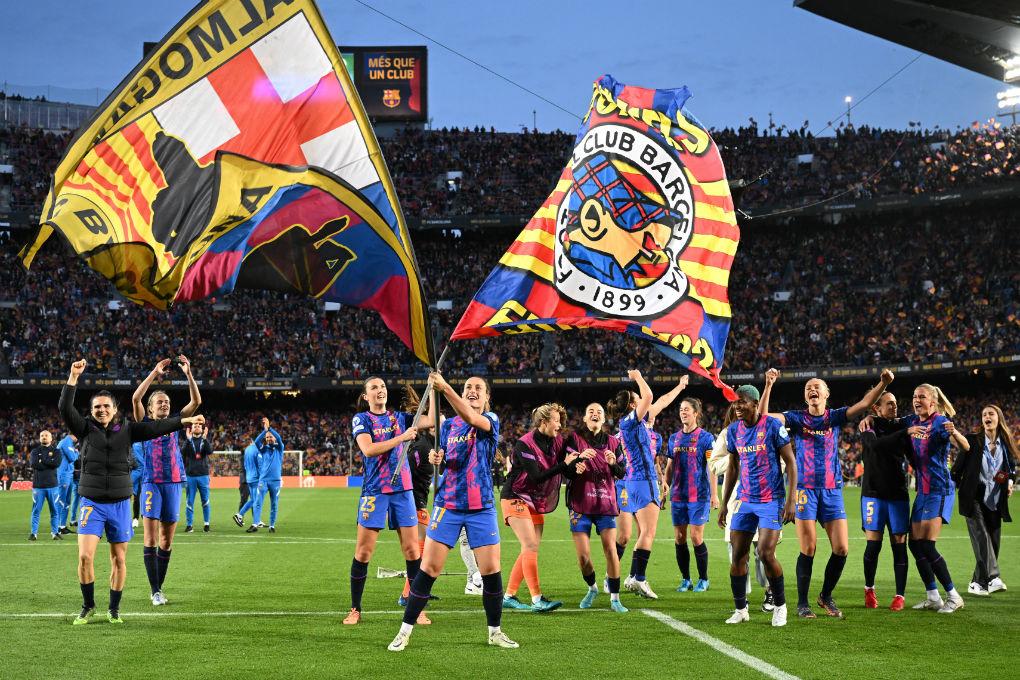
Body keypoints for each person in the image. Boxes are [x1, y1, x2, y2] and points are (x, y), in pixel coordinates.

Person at [60, 359, 204, 625]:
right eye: (97, 407)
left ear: (115, 409)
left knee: (120, 559)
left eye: (106, 406)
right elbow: (65, 408)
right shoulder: (84, 428)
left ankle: (114, 609)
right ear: (91, 411)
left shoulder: (127, 429)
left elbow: (158, 427)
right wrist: (73, 378)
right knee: (85, 556)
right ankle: (88, 605)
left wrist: (185, 421)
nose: (102, 410)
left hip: (121, 503)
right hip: (92, 502)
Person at [388, 372, 517, 652]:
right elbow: (448, 459)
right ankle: (404, 631)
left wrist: (445, 387)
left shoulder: (490, 419)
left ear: (487, 397)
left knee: (491, 570)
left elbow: (471, 417)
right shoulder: (448, 426)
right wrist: (439, 458)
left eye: (478, 388)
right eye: (468, 386)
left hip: (481, 506)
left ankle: (495, 632)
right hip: (448, 505)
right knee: (429, 569)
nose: (472, 390)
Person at [762, 367, 893, 619]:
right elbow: (765, 417)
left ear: (826, 394)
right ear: (805, 396)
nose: (812, 390)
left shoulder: (834, 417)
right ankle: (802, 603)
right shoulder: (796, 418)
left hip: (832, 491)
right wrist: (768, 385)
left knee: (841, 548)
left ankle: (825, 596)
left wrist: (883, 383)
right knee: (808, 548)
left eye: (817, 387)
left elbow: (866, 403)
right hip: (805, 490)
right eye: (808, 388)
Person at [343, 378, 432, 626]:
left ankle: (417, 609)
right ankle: (355, 609)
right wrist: (402, 437)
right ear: (366, 396)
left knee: (412, 550)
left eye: (382, 387)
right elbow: (369, 449)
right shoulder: (362, 419)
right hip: (375, 490)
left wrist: (435, 389)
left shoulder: (400, 417)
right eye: (374, 388)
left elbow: (432, 419)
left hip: (403, 490)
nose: (380, 390)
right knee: (364, 551)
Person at [718, 384, 797, 627]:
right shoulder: (734, 430)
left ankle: (780, 606)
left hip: (771, 500)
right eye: (735, 402)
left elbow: (791, 463)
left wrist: (791, 500)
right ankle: (741, 609)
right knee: (737, 556)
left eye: (742, 401)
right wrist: (724, 504)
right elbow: (733, 467)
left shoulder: (772, 426)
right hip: (745, 500)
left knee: (765, 553)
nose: (737, 406)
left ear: (754, 403)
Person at [131, 356, 202, 607]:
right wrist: (154, 372)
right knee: (150, 539)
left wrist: (189, 374)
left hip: (173, 482)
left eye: (167, 402)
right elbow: (136, 399)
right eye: (160, 401)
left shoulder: (175, 423)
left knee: (166, 541)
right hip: (151, 482)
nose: (164, 404)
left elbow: (196, 402)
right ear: (150, 408)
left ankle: (158, 588)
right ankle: (155, 591)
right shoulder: (144, 424)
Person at [611, 371, 686, 599]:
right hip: (643, 480)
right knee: (648, 532)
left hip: (635, 481)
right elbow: (651, 396)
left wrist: (680, 386)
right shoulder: (631, 422)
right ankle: (639, 578)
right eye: (638, 399)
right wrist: (638, 377)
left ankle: (633, 576)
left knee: (642, 532)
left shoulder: (634, 424)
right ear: (633, 405)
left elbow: (660, 401)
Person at [500, 403, 580, 613]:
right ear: (544, 422)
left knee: (530, 547)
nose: (560, 425)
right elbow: (536, 477)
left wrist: (576, 466)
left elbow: (566, 469)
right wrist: (564, 464)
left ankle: (509, 596)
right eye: (556, 421)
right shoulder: (524, 444)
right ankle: (537, 599)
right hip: (515, 496)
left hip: (533, 500)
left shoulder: (557, 441)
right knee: (529, 545)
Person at [901, 384, 969, 613]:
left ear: (932, 401)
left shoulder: (940, 422)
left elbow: (966, 446)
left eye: (921, 396)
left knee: (927, 546)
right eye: (914, 396)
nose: (916, 400)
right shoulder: (912, 421)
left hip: (939, 489)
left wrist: (954, 432)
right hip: (923, 491)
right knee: (914, 544)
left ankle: (954, 596)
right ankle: (933, 596)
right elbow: (893, 423)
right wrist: (870, 418)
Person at [563, 402, 628, 612]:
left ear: (604, 418)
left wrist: (613, 464)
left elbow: (622, 472)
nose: (595, 414)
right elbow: (566, 470)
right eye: (590, 411)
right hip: (580, 504)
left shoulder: (613, 442)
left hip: (605, 503)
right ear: (584, 418)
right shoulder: (574, 439)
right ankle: (592, 588)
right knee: (583, 557)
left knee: (611, 550)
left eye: (599, 412)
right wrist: (577, 464)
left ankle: (615, 598)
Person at [952, 404, 1016, 597]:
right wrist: (962, 488)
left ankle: (976, 582)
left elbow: (1010, 469)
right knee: (982, 537)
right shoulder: (972, 441)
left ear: (998, 418)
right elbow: (956, 470)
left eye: (991, 414)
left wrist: (1009, 482)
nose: (987, 417)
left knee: (993, 543)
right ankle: (994, 577)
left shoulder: (1005, 444)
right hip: (973, 498)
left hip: (995, 499)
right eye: (984, 414)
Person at [857, 392, 911, 611]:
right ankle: (869, 589)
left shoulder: (903, 425)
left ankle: (900, 595)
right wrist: (905, 433)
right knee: (873, 546)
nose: (894, 406)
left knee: (899, 545)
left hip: (898, 494)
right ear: (876, 408)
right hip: (873, 494)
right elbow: (875, 446)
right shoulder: (868, 427)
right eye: (889, 404)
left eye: (896, 403)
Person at [664, 397, 718, 593]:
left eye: (687, 409)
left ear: (696, 413)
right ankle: (686, 579)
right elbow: (670, 466)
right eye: (681, 409)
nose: (683, 412)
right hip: (678, 495)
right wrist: (665, 487)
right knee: (679, 538)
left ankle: (703, 579)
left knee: (696, 537)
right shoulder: (674, 438)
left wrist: (714, 494)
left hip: (699, 495)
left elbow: (712, 467)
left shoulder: (706, 438)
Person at [29, 431, 62, 541]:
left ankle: (55, 533)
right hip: (38, 486)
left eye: (46, 435)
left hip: (53, 486)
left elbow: (56, 464)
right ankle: (33, 533)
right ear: (39, 438)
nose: (44, 437)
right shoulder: (34, 451)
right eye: (42, 435)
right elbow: (34, 464)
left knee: (54, 511)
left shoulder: (56, 451)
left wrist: (42, 461)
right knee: (36, 511)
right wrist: (49, 462)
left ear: (51, 438)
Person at [254, 417, 284, 532]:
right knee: (258, 502)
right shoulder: (263, 449)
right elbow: (256, 442)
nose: (269, 438)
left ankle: (272, 525)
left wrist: (270, 428)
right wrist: (265, 431)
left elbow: (279, 438)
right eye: (267, 437)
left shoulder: (279, 448)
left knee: (274, 504)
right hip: (263, 480)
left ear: (274, 438)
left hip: (275, 481)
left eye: (270, 437)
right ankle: (256, 524)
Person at [182, 422, 213, 533]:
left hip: (203, 475)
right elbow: (183, 452)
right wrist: (188, 439)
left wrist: (205, 439)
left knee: (205, 500)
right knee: (189, 501)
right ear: (191, 429)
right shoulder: (189, 441)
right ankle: (189, 525)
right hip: (190, 476)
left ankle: (206, 524)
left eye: (199, 426)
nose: (197, 427)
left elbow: (210, 451)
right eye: (195, 426)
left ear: (202, 429)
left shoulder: (204, 441)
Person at [234, 439, 263, 530]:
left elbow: (247, 467)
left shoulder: (246, 453)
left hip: (248, 479)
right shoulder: (251, 453)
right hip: (248, 481)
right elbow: (255, 467)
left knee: (254, 500)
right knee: (248, 500)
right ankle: (240, 515)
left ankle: (256, 520)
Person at [56, 434, 78, 534]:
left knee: (67, 502)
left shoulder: (69, 443)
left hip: (68, 474)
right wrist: (76, 452)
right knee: (61, 501)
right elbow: (72, 458)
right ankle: (56, 527)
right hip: (63, 475)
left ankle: (62, 526)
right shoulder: (65, 442)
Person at [130, 442, 144, 528]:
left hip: (143, 471)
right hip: (136, 470)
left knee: (144, 496)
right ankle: (135, 518)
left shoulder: (145, 443)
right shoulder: (133, 443)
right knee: (135, 496)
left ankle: (144, 517)